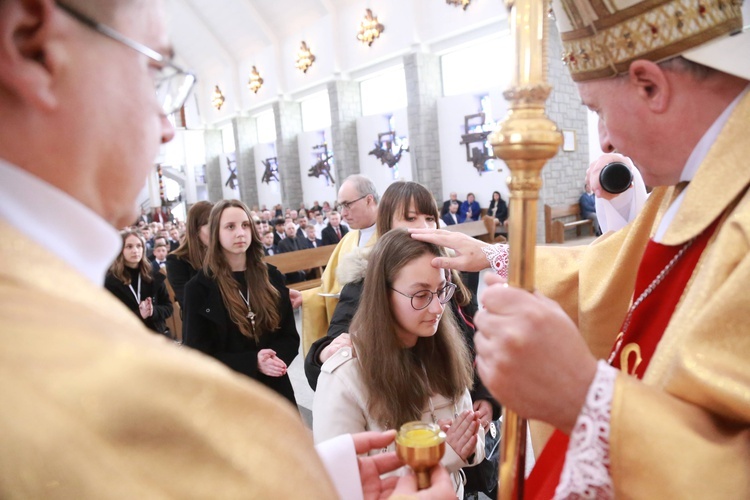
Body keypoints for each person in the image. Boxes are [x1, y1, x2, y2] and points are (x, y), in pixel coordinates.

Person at [0, 1, 439, 496]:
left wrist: (323, 473)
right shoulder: (45, 340)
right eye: (152, 70)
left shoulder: (46, 287)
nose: (167, 127)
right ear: (32, 44)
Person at [412, 0, 750, 496]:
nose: (606, 141)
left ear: (650, 84)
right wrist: (495, 256)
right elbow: (609, 268)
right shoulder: (692, 183)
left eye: (598, 111)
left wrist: (583, 394)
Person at [313, 229, 485, 497]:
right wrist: (442, 456)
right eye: (421, 295)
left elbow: (470, 435)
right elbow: (338, 485)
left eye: (441, 291)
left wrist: (470, 444)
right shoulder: (345, 376)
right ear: (383, 295)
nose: (438, 307)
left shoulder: (443, 350)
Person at [182, 200, 300, 406]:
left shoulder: (271, 276)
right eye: (230, 227)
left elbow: (289, 335)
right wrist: (252, 362)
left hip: (275, 388)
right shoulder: (198, 288)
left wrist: (272, 362)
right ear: (215, 233)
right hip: (230, 393)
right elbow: (196, 354)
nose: (240, 233)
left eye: (245, 225)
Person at [301, 175, 380, 353]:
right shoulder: (347, 240)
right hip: (344, 329)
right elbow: (332, 288)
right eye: (340, 206)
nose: (343, 213)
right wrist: (306, 298)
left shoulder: (389, 237)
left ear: (369, 200)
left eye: (347, 204)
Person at [104, 230, 173, 336]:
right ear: (120, 249)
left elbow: (168, 307)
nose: (135, 250)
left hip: (156, 335)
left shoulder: (153, 275)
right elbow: (110, 316)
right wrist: (139, 314)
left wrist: (152, 311)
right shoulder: (111, 281)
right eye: (129, 246)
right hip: (129, 338)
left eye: (139, 246)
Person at [166, 200, 212, 309]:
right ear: (195, 229)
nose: (216, 231)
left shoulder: (224, 253)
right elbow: (188, 301)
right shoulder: (176, 260)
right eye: (211, 226)